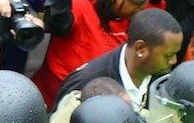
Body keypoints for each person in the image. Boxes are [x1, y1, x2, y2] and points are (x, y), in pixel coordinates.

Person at [33, 0, 159, 106]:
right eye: (136, 2)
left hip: (106, 104)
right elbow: (57, 23)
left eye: (146, 0)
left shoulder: (140, 16)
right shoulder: (81, 7)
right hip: (57, 100)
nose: (143, 6)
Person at [54, 8, 183, 111]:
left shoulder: (165, 81)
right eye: (168, 55)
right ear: (140, 49)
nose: (174, 61)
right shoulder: (84, 83)